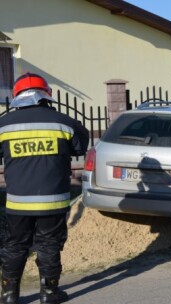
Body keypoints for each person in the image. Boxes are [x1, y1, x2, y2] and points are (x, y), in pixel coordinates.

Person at [0, 73, 90, 304]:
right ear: (46, 95)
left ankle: (9, 295)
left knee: (14, 246)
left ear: (17, 96)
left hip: (17, 201)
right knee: (49, 245)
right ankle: (49, 294)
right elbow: (80, 146)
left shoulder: (3, 125)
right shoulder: (64, 122)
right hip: (54, 200)